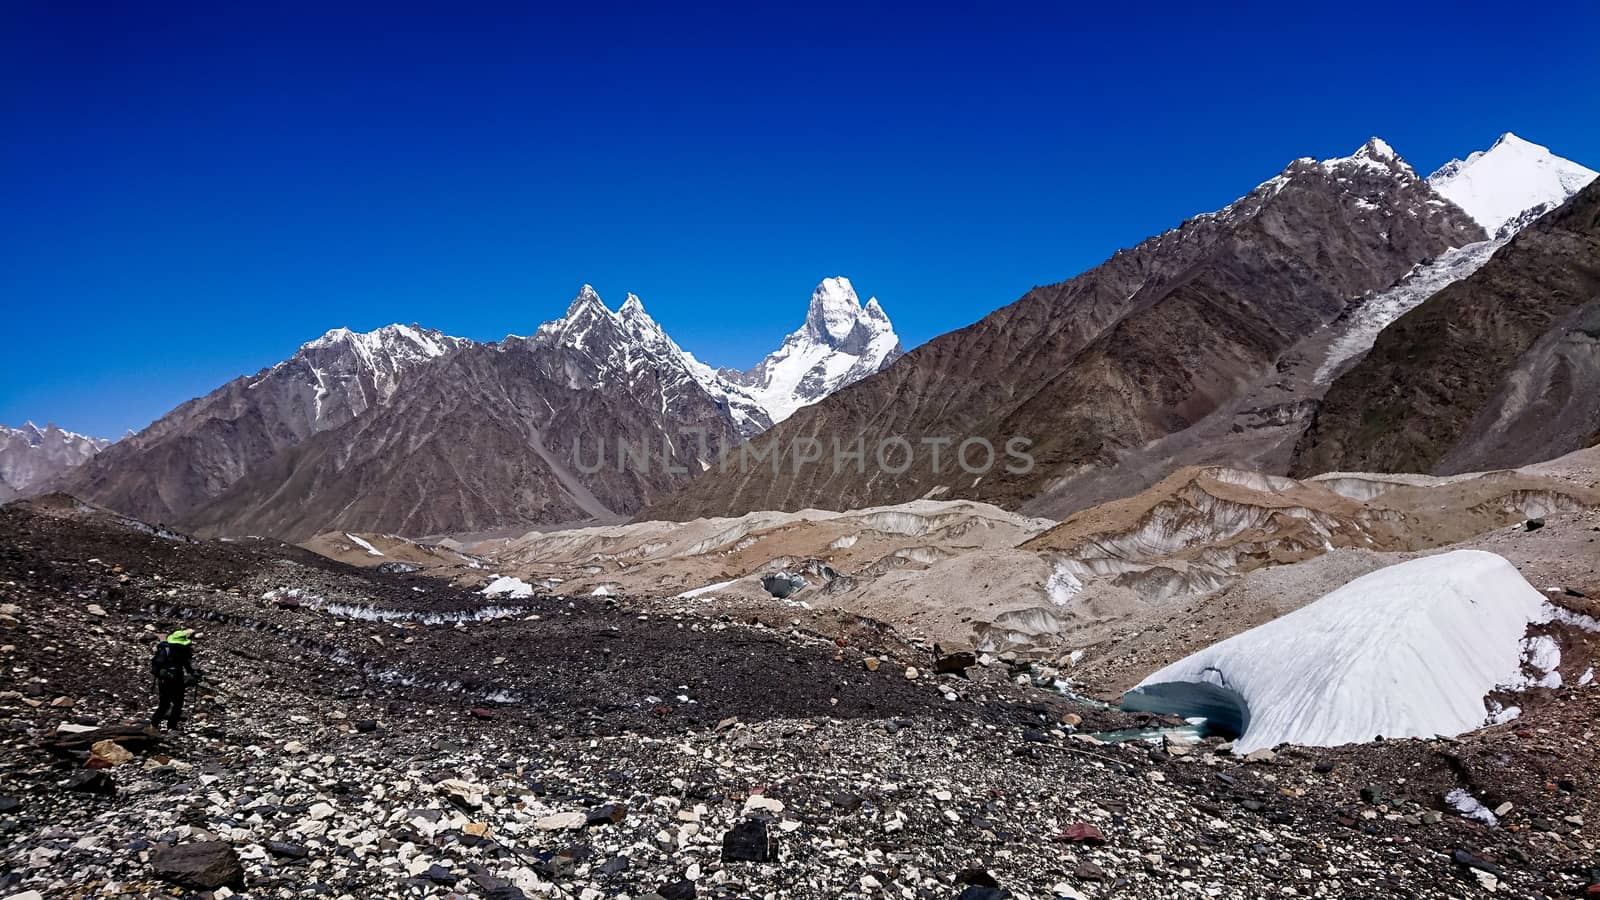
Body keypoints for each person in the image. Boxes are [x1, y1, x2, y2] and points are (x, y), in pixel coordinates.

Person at [150, 629, 201, 730]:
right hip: (166, 681)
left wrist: (193, 673)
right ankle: (154, 724)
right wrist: (163, 674)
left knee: (178, 704)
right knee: (165, 704)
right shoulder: (166, 651)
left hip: (178, 680)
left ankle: (171, 726)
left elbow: (186, 664)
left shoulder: (183, 650)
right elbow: (155, 668)